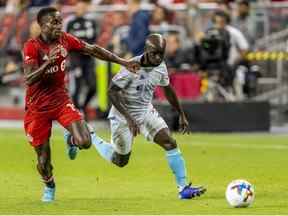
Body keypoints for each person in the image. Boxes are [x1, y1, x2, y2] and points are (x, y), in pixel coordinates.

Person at [22, 7, 139, 202]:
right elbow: (29, 79)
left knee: (84, 142)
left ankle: (71, 140)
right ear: (42, 25)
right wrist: (47, 63)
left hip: (60, 100)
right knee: (43, 160)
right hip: (36, 108)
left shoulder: (65, 40)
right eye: (54, 22)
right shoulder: (31, 47)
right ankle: (49, 186)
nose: (59, 26)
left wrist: (123, 61)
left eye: (60, 22)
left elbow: (93, 49)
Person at [86, 34, 206, 199]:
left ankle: (183, 188)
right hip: (122, 116)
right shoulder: (131, 67)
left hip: (144, 111)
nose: (157, 57)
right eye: (154, 53)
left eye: (160, 54)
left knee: (170, 142)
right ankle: (92, 136)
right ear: (146, 50)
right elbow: (111, 92)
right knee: (120, 161)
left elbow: (167, 89)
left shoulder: (160, 66)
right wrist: (129, 119)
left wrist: (181, 113)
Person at [64, 0, 98, 112]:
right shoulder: (70, 22)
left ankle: (83, 107)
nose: (81, 9)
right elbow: (66, 41)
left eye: (83, 7)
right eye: (79, 7)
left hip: (88, 59)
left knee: (93, 86)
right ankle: (78, 112)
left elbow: (94, 40)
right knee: (76, 88)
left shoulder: (91, 22)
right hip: (75, 60)